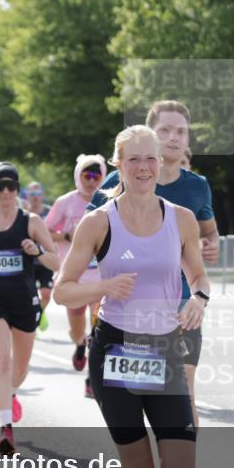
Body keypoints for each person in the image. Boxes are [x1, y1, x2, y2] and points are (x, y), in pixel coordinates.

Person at [54, 126, 209, 468]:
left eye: (152, 159)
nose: (145, 168)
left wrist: (198, 299)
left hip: (164, 349)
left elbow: (198, 274)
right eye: (135, 160)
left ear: (162, 164)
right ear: (119, 165)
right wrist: (103, 286)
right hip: (115, 349)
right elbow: (63, 290)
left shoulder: (181, 218)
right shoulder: (98, 222)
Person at [92, 101, 220, 433]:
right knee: (134, 398)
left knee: (184, 388)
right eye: (165, 130)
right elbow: (94, 240)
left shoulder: (197, 186)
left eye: (181, 131)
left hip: (179, 306)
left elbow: (208, 230)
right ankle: (141, 466)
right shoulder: (120, 180)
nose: (174, 138)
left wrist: (212, 244)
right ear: (151, 133)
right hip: (127, 312)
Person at [0, 163, 60, 455]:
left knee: (20, 366)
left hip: (24, 301)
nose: (5, 192)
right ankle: (6, 430)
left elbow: (56, 262)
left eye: (10, 186)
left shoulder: (31, 222)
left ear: (17, 190)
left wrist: (38, 252)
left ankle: (11, 392)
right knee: (2, 360)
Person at [46, 154, 108, 390]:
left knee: (98, 326)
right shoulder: (65, 202)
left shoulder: (109, 201)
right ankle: (80, 344)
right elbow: (46, 230)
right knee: (76, 328)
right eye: (87, 175)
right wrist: (66, 236)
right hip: (74, 277)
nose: (92, 181)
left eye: (96, 175)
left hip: (101, 276)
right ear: (78, 176)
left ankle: (91, 379)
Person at [24, 181, 53, 332]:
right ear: (26, 195)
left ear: (42, 195)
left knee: (46, 295)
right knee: (27, 296)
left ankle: (39, 313)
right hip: (28, 261)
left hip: (45, 260)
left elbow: (57, 232)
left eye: (37, 194)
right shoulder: (22, 213)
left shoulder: (50, 212)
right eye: (31, 194)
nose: (35, 197)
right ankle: (30, 318)